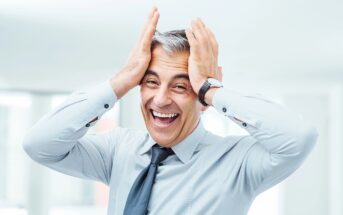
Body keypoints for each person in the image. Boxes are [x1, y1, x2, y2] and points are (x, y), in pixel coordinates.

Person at [23, 6, 318, 215]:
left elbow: (298, 138)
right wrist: (121, 81)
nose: (160, 99)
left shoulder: (238, 162)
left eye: (181, 86)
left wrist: (211, 88)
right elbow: (39, 145)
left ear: (203, 97)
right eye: (150, 82)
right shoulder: (118, 150)